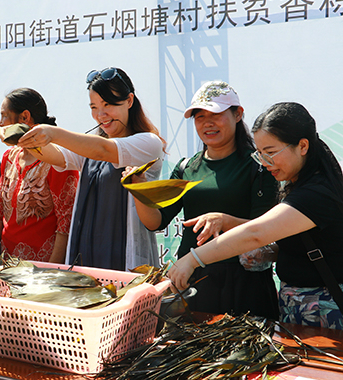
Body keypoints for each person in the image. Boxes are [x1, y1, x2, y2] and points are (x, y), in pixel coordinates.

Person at [168, 102, 343, 329]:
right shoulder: (297, 184)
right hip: (297, 306)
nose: (266, 163)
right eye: (260, 155)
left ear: (302, 146)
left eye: (271, 153)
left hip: (326, 311)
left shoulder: (316, 192)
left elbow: (256, 233)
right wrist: (270, 253)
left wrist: (193, 259)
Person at [126, 81, 279, 319]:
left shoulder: (259, 166)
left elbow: (268, 230)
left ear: (237, 114)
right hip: (193, 281)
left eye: (216, 114)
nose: (207, 123)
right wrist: (138, 187)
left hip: (245, 284)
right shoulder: (187, 167)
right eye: (199, 116)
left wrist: (224, 221)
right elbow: (155, 222)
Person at [17, 67, 165, 271]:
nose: (100, 114)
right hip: (86, 256)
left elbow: (105, 150)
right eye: (94, 107)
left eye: (108, 104)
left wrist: (53, 133)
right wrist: (22, 138)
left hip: (125, 261)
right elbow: (57, 157)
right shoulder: (90, 146)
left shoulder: (148, 143)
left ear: (129, 101)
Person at [0, 88, 78, 265]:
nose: (0, 124)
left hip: (43, 270)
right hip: (9, 266)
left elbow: (66, 223)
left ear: (24, 117)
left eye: (4, 116)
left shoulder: (59, 161)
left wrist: (53, 271)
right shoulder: (9, 157)